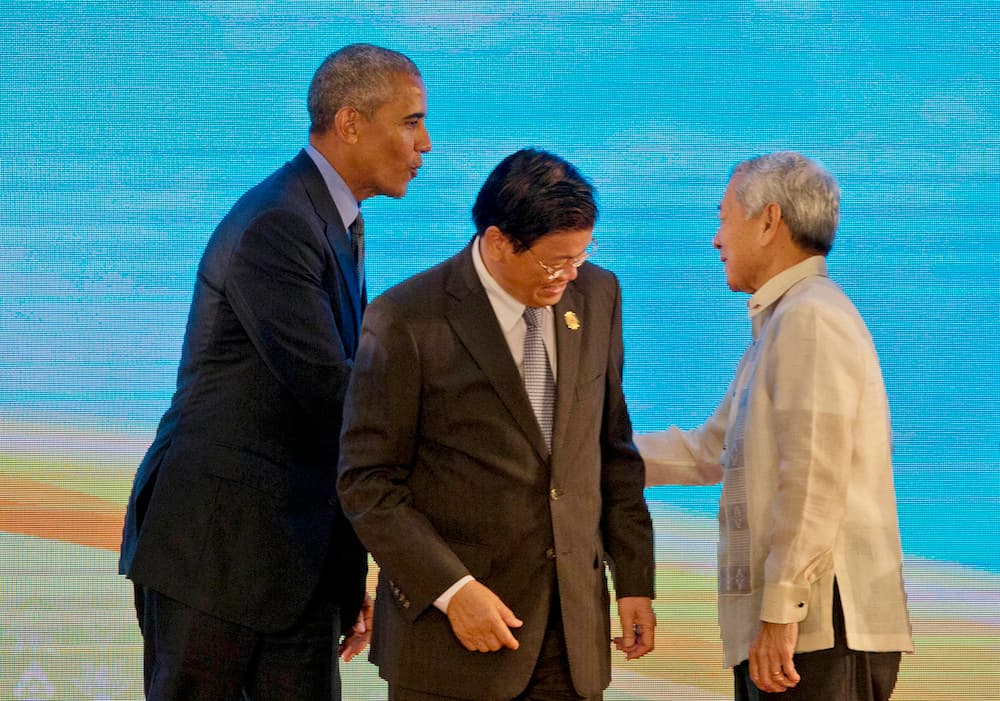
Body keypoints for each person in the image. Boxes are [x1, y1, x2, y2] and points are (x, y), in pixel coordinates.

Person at [118, 43, 431, 700]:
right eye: (411, 122)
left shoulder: (329, 219)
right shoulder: (280, 222)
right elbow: (335, 394)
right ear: (350, 122)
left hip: (290, 568)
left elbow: (330, 418)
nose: (424, 144)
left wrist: (344, 573)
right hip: (216, 558)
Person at [337, 148, 656, 700]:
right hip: (452, 643)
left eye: (580, 256)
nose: (569, 276)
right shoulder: (406, 319)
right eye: (554, 262)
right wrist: (453, 590)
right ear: (498, 241)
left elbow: (611, 449)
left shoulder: (598, 294)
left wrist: (633, 580)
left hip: (570, 640)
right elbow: (367, 482)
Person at [635, 152, 913, 700]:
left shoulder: (810, 317)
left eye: (723, 219)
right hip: (803, 628)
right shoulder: (786, 319)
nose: (716, 240)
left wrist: (783, 609)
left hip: (820, 628)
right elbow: (709, 451)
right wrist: (581, 455)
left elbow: (814, 476)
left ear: (768, 221)